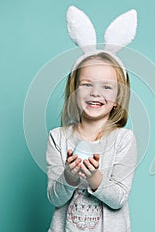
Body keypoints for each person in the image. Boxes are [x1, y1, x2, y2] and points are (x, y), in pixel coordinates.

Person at [46, 6, 138, 232]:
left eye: (106, 87)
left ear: (118, 97)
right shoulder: (58, 138)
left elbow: (118, 198)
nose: (95, 93)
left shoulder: (123, 140)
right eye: (87, 84)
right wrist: (69, 175)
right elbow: (55, 198)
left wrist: (94, 177)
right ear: (74, 90)